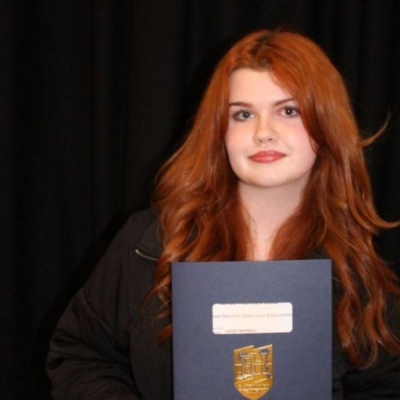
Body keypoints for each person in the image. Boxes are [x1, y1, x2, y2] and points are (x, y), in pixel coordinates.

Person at [46, 29, 400, 399]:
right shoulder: (149, 243)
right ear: (219, 132)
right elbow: (79, 355)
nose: (263, 132)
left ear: (325, 125)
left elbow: (386, 387)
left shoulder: (353, 264)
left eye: (288, 111)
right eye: (243, 114)